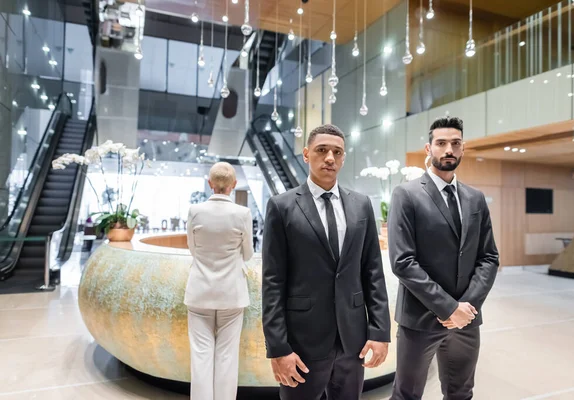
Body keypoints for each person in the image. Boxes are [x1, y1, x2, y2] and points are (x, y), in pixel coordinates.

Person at [262, 124, 391, 400]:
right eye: (322, 150)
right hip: (302, 344)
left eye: (337, 152)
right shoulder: (281, 206)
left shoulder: (361, 205)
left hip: (352, 342)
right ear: (307, 154)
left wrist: (380, 332)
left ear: (343, 158)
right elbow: (273, 282)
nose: (330, 158)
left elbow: (373, 272)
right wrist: (278, 348)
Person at [388, 116, 499, 400]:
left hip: (467, 320)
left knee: (461, 393)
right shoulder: (406, 195)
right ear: (429, 148)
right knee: (407, 394)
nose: (448, 149)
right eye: (441, 143)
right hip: (420, 318)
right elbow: (403, 261)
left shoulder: (475, 199)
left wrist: (467, 307)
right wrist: (448, 307)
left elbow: (488, 257)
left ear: (463, 149)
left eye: (455, 143)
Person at [184, 162, 253, 400]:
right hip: (232, 294)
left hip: (199, 292)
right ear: (233, 186)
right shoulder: (242, 213)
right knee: (227, 356)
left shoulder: (195, 211)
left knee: (200, 356)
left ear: (210, 183)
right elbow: (248, 254)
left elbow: (192, 249)